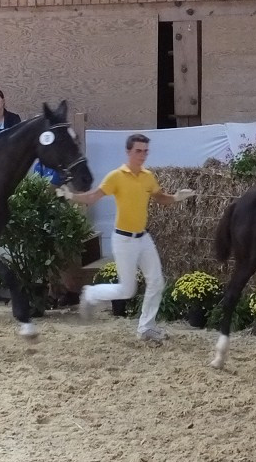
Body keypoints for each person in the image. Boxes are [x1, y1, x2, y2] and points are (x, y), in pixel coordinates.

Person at [59, 134, 196, 342]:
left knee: (156, 282)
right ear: (128, 152)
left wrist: (176, 197)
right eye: (138, 151)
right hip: (123, 240)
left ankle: (145, 328)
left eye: (145, 151)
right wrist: (70, 196)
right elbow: (92, 197)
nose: (143, 155)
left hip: (143, 238)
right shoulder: (116, 177)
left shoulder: (148, 176)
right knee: (126, 290)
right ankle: (90, 294)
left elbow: (159, 197)